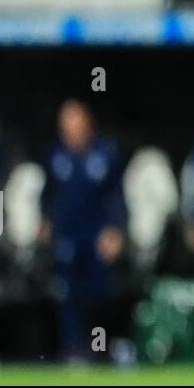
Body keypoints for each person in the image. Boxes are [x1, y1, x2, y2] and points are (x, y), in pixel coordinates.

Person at [39, 100, 126, 360]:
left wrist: (116, 230)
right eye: (65, 124)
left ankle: (102, 349)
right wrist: (45, 221)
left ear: (88, 124)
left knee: (99, 295)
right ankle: (74, 351)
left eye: (75, 122)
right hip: (67, 236)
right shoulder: (55, 156)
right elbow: (48, 195)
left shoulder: (106, 154)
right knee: (68, 294)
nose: (70, 129)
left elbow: (117, 197)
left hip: (96, 236)